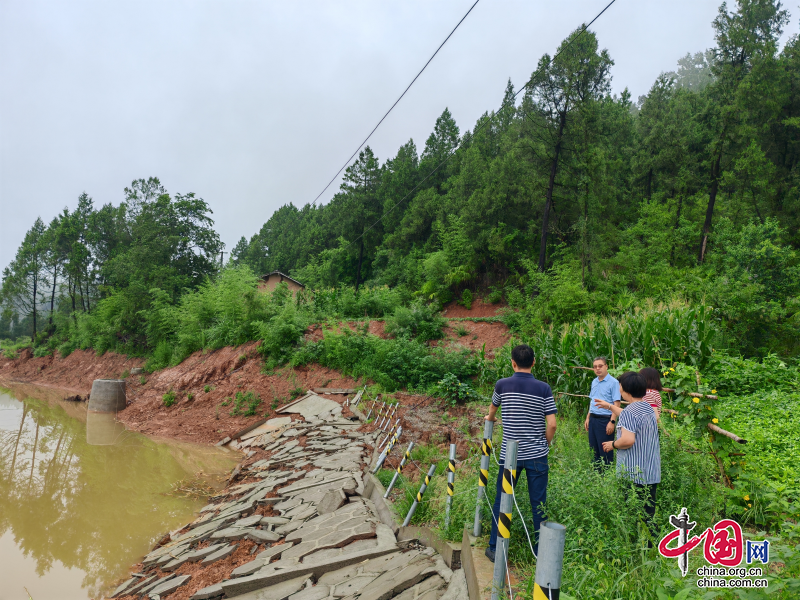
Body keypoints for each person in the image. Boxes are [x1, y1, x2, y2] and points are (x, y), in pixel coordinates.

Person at [484, 344, 556, 561]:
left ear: (513, 363)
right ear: (534, 362)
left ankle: (496, 549)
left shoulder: (502, 385)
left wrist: (491, 419)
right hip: (537, 455)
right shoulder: (544, 388)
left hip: (509, 456)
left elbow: (492, 410)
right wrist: (545, 443)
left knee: (502, 500)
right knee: (539, 504)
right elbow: (551, 424)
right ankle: (539, 552)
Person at [595, 371, 661, 544]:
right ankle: (654, 545)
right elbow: (626, 413)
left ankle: (634, 545)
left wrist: (613, 444)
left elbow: (628, 440)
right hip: (651, 471)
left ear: (625, 389)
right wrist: (609, 406)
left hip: (634, 472)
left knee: (633, 511)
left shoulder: (629, 413)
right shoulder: (647, 407)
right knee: (648, 512)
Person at [584, 357, 620, 469]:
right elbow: (592, 401)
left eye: (600, 366)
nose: (597, 369)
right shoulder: (594, 381)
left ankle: (606, 476)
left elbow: (616, 403)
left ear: (606, 366)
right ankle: (596, 475)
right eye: (595, 367)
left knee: (605, 449)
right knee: (594, 449)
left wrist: (612, 421)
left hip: (605, 420)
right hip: (593, 420)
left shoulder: (613, 383)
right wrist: (588, 418)